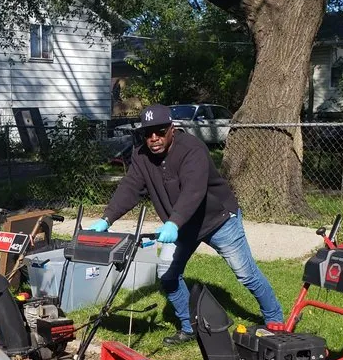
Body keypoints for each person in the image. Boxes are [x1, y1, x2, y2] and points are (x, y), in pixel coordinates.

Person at [90, 104, 283, 345]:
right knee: (168, 275)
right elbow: (129, 188)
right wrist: (106, 218)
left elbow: (194, 190)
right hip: (181, 227)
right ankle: (190, 327)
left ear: (172, 128)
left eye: (159, 131)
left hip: (217, 219)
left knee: (246, 274)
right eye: (147, 133)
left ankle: (275, 320)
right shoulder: (141, 157)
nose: (153, 138)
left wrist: (173, 222)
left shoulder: (192, 149)